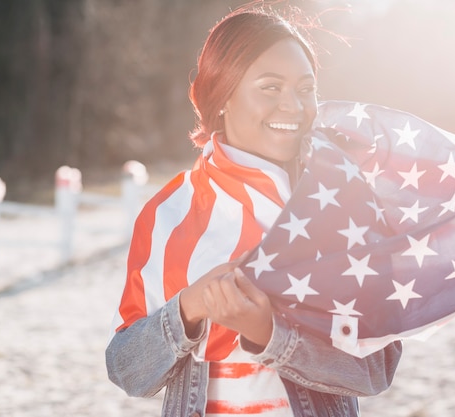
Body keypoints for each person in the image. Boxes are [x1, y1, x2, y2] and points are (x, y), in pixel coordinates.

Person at [105, 4, 403, 417]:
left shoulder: (342, 203)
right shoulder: (168, 215)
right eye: (270, 87)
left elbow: (377, 368)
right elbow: (126, 370)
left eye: (305, 88)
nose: (294, 107)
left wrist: (270, 334)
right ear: (223, 95)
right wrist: (190, 308)